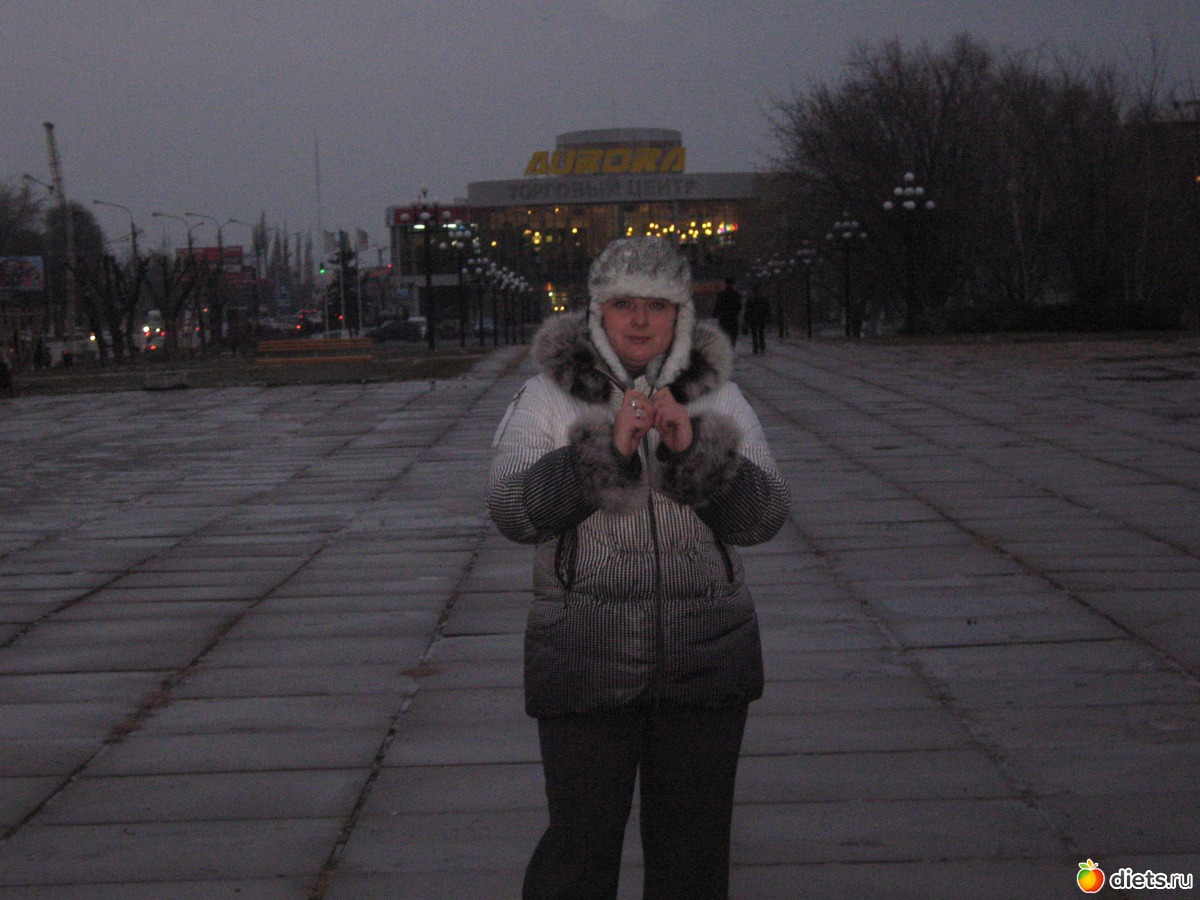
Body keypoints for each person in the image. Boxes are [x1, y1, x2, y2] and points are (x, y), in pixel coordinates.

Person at [487, 236, 790, 899]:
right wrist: (603, 455)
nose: (641, 320)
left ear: (681, 313)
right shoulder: (547, 398)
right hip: (585, 660)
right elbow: (512, 511)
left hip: (707, 661)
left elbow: (764, 519)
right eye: (625, 303)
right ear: (598, 309)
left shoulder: (721, 397)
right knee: (578, 856)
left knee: (693, 860)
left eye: (658, 304)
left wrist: (693, 453)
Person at [712, 276, 741, 347]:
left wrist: (715, 314)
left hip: (724, 318)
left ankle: (726, 349)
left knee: (724, 336)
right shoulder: (736, 294)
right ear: (733, 284)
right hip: (733, 318)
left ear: (726, 283)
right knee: (733, 336)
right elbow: (739, 307)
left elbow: (718, 306)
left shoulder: (721, 294)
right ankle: (731, 348)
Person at [745, 281, 771, 354]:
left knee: (754, 333)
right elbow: (767, 309)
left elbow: (747, 311)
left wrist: (746, 320)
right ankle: (762, 346)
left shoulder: (750, 300)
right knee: (761, 332)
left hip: (753, 318)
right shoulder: (764, 299)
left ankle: (755, 347)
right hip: (761, 318)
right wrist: (768, 317)